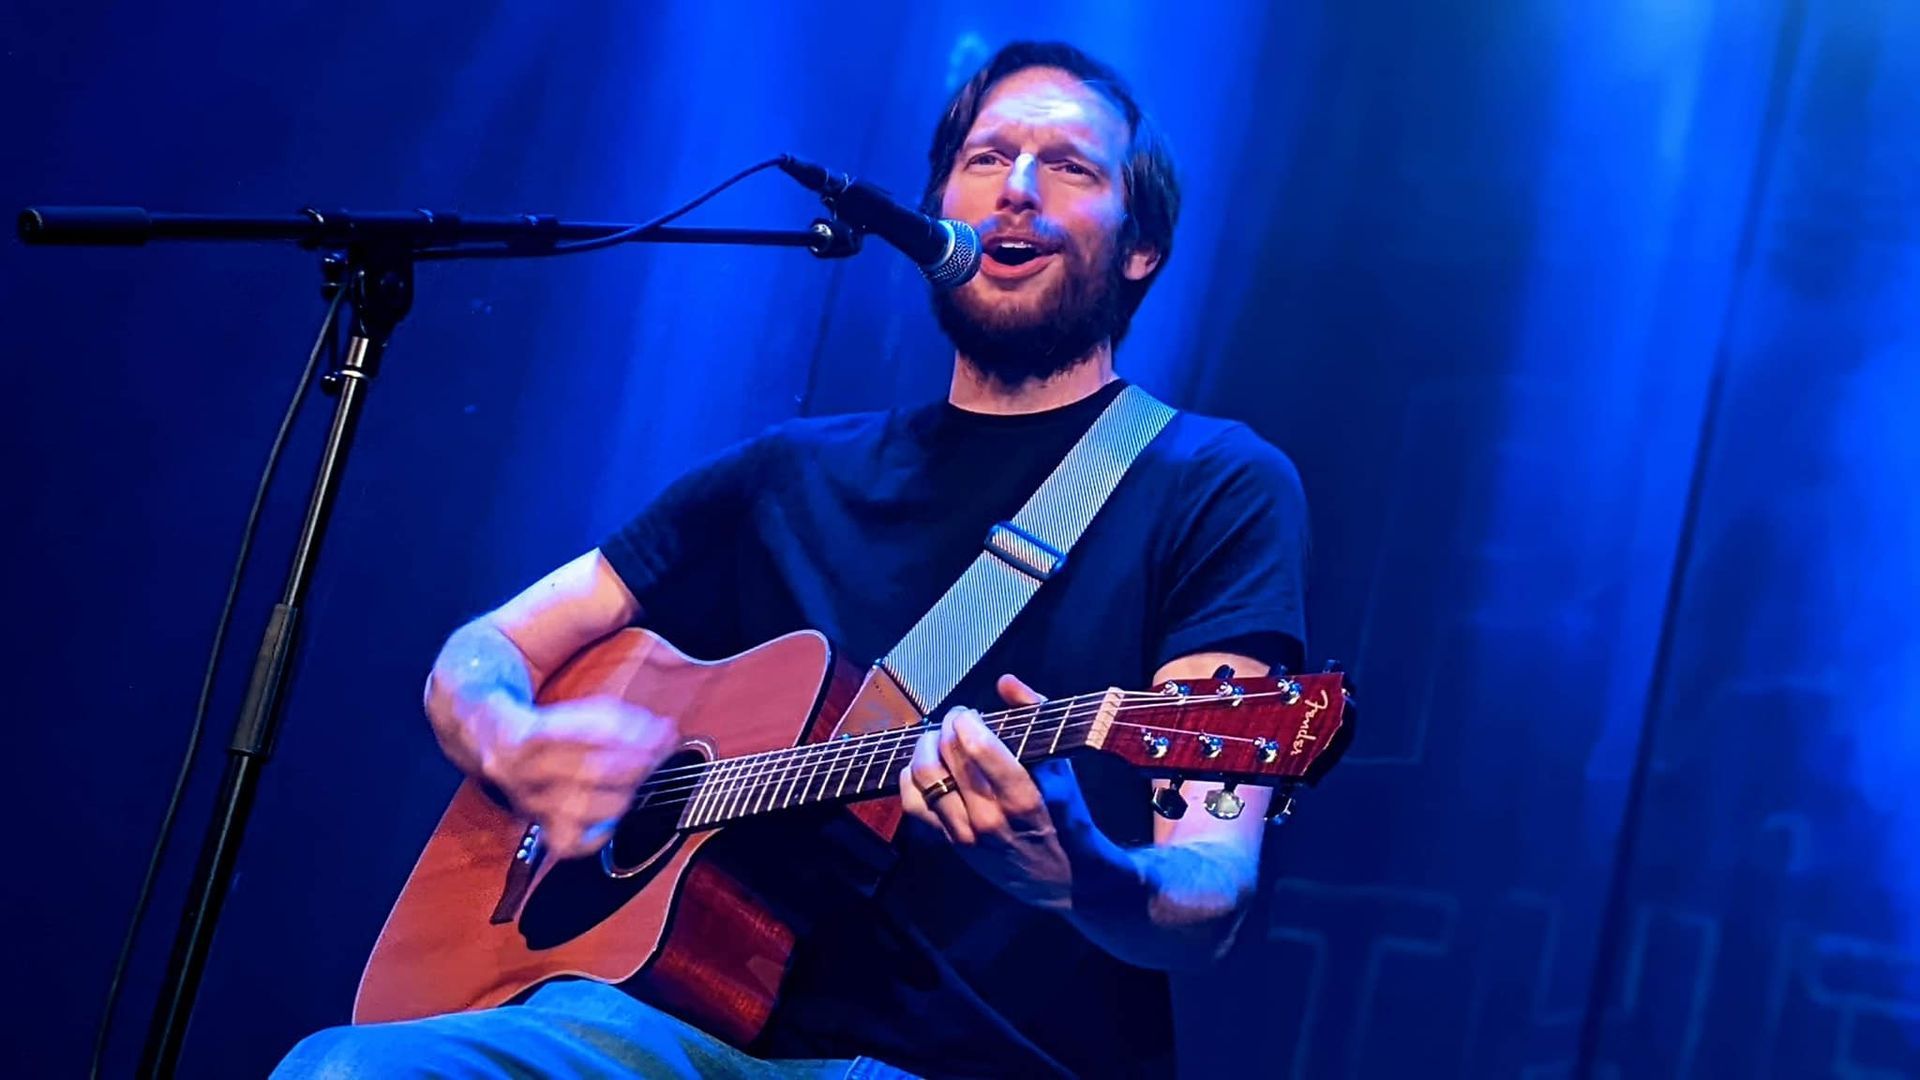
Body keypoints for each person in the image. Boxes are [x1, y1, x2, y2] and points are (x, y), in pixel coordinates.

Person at [277, 40, 1309, 1080]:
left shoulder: (1209, 482)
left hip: (979, 1060)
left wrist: (1080, 874)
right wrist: (511, 738)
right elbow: (481, 649)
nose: (1019, 191)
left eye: (1073, 168)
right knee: (346, 1072)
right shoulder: (784, 473)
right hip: (667, 1028)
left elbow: (1208, 896)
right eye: (989, 159)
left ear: (1142, 248)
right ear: (936, 208)